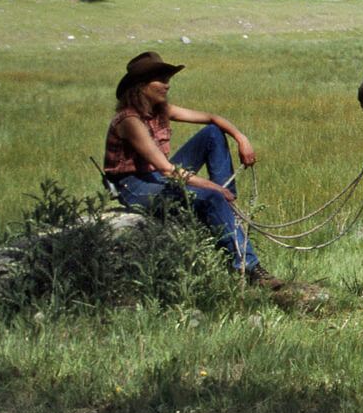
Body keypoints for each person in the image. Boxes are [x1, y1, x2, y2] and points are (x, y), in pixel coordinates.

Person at [101, 51, 282, 288]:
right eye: (161, 80)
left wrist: (241, 138)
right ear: (141, 86)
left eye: (167, 79)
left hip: (155, 175)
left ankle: (226, 202)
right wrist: (213, 188)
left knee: (213, 134)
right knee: (209, 196)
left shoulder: (161, 110)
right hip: (134, 184)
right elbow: (168, 170)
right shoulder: (129, 121)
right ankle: (247, 267)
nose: (167, 85)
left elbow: (211, 118)